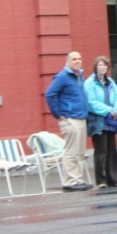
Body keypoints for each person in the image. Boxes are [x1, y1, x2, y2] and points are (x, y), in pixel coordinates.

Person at [45, 51, 92, 192]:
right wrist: (58, 114)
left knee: (80, 152)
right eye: (74, 59)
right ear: (67, 62)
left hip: (81, 117)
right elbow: (49, 94)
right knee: (71, 151)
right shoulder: (62, 76)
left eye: (79, 59)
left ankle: (78, 180)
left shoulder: (79, 76)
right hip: (70, 119)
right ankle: (70, 182)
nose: (77, 61)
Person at [84, 56, 117, 188]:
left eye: (104, 65)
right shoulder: (89, 83)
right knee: (101, 151)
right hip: (98, 122)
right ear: (95, 67)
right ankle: (101, 181)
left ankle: (114, 179)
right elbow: (91, 103)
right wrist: (109, 110)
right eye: (100, 65)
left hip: (111, 121)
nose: (102, 67)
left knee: (112, 150)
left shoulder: (110, 82)